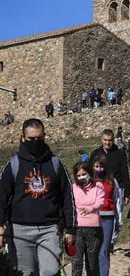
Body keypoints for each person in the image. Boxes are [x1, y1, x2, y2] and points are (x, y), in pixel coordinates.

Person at [0, 118, 76, 275]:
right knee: (24, 273)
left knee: (51, 271)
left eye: (39, 138)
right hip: (19, 231)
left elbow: (68, 196)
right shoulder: (14, 164)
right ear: (22, 138)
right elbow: (1, 196)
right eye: (31, 139)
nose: (36, 142)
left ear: (44, 136)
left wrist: (70, 228)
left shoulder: (55, 163)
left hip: (49, 230)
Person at [89, 129, 130, 244]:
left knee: (117, 213)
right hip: (99, 188)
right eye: (105, 140)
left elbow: (125, 172)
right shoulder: (96, 154)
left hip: (117, 187)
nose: (107, 143)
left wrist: (127, 192)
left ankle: (112, 240)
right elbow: (89, 171)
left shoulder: (119, 153)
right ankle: (101, 238)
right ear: (101, 140)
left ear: (113, 140)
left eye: (110, 140)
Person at [71, 161, 105, 276]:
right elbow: (70, 205)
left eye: (84, 174)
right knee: (76, 262)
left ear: (89, 173)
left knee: (92, 263)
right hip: (77, 228)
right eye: (78, 175)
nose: (81, 177)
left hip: (94, 228)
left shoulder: (98, 186)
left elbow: (100, 202)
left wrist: (92, 208)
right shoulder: (74, 188)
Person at [92, 156, 122, 276]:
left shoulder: (111, 181)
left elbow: (117, 200)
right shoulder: (89, 182)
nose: (99, 169)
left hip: (108, 218)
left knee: (104, 250)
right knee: (94, 250)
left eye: (101, 166)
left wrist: (119, 220)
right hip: (92, 219)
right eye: (97, 166)